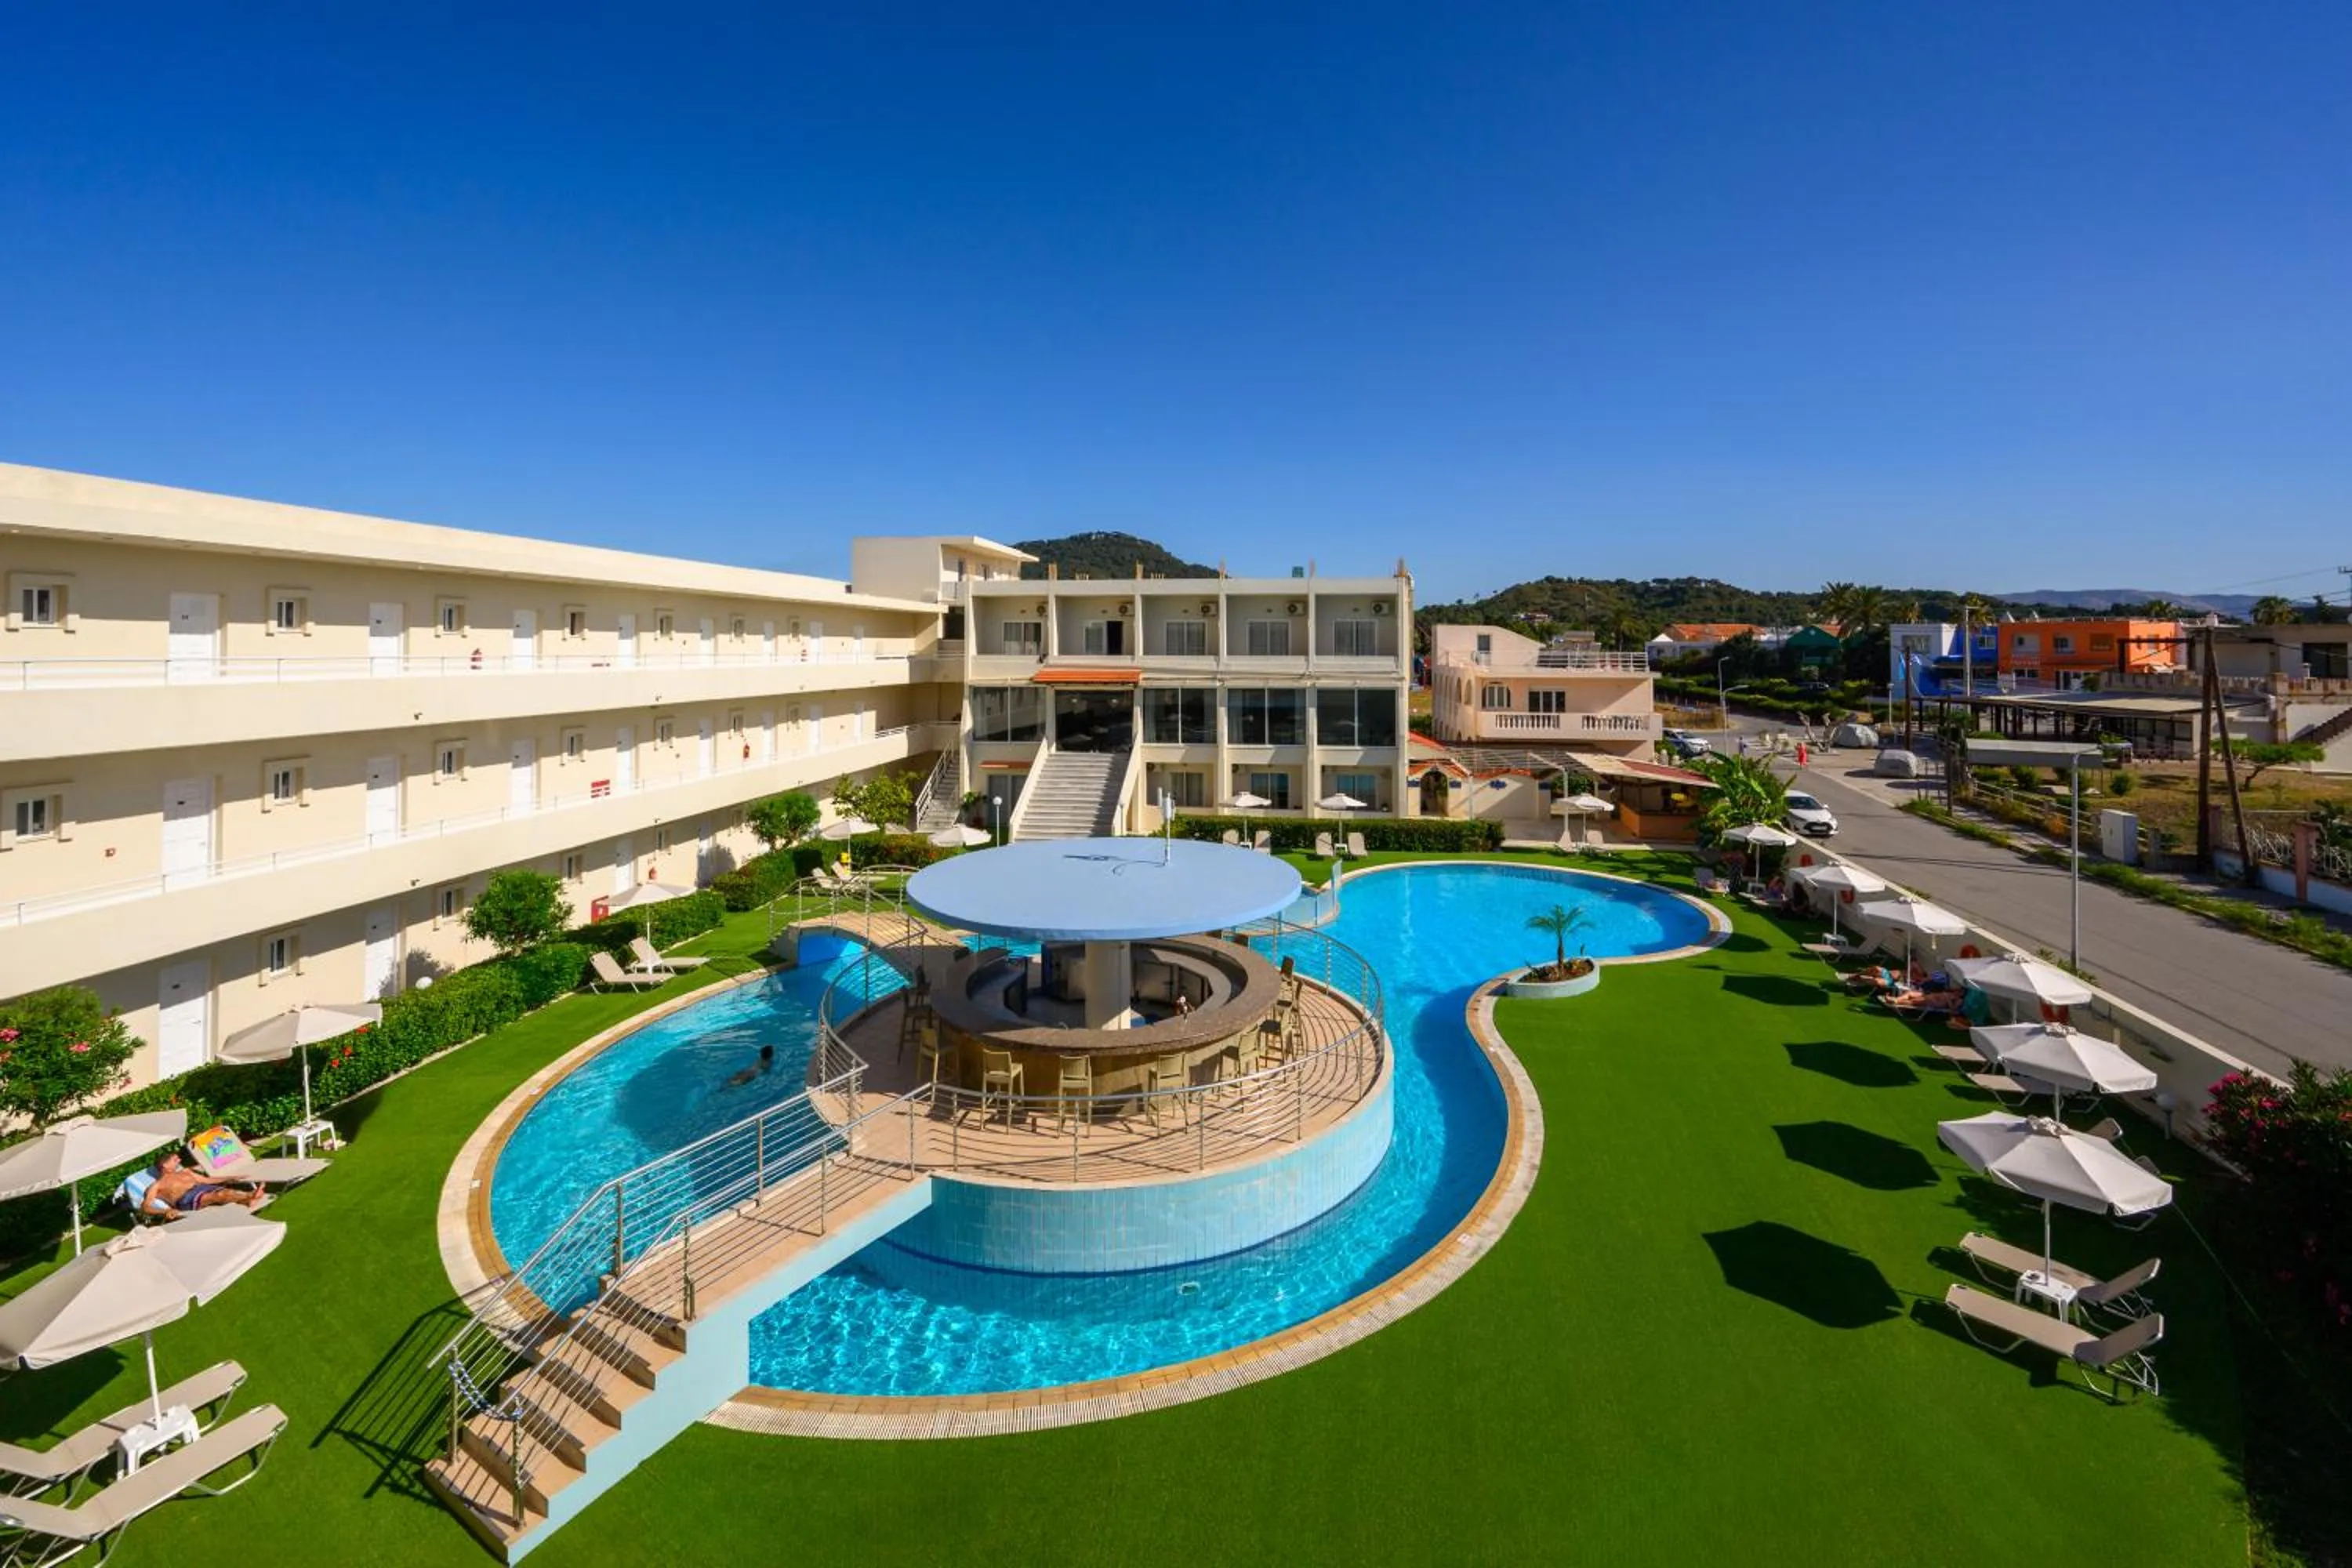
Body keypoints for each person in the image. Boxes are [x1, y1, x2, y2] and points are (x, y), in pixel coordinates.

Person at [140, 1150, 264, 1215]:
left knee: (227, 1192)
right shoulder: (157, 1185)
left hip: (203, 1188)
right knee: (218, 1195)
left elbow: (208, 1180)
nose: (180, 1160)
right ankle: (250, 1195)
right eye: (175, 1160)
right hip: (186, 1199)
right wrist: (165, 1211)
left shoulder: (186, 1172)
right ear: (165, 1165)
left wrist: (231, 1178)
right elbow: (145, 1207)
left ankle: (247, 1200)